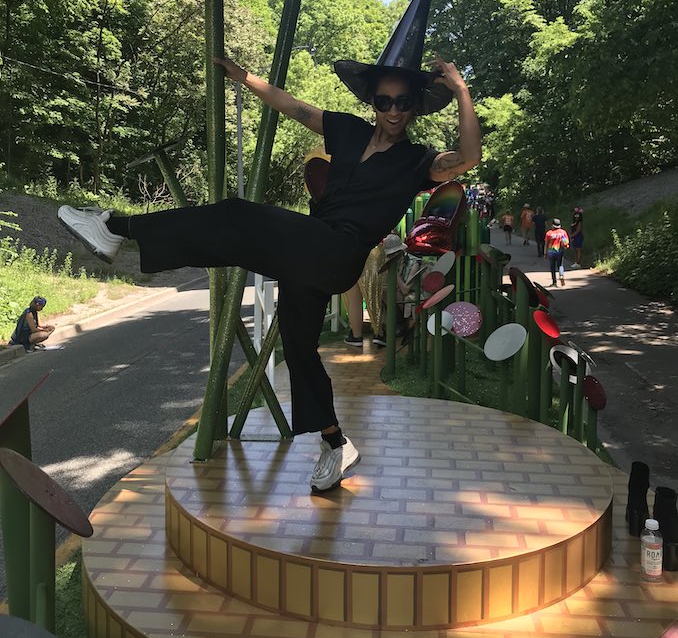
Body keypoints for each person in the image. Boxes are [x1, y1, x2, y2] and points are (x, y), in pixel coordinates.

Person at [58, 46, 481, 495]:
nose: (393, 111)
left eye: (402, 103)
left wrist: (460, 90)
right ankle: (336, 443)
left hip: (338, 253)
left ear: (414, 106)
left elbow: (468, 156)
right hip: (309, 252)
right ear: (372, 103)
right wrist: (244, 77)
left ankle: (116, 227)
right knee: (297, 348)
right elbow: (295, 107)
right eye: (384, 101)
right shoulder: (349, 130)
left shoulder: (419, 160)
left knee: (239, 216)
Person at [544, 218, 570, 287]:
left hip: (551, 252)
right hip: (560, 251)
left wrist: (545, 253)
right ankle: (561, 275)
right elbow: (566, 242)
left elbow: (546, 244)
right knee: (560, 265)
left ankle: (554, 282)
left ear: (552, 225)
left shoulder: (549, 233)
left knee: (552, 267)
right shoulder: (563, 232)